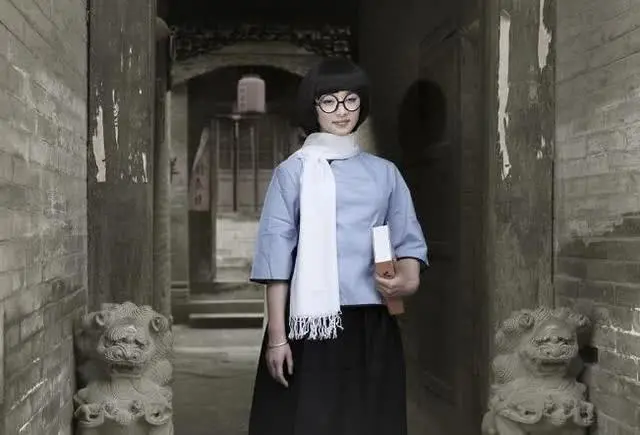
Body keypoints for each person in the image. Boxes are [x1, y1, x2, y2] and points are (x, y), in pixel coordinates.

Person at [247, 57, 428, 435]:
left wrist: (407, 280)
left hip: (371, 324)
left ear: (362, 104)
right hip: (308, 325)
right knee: (309, 423)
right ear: (313, 108)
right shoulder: (292, 172)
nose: (341, 111)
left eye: (350, 100)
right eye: (329, 101)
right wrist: (277, 338)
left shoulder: (384, 173)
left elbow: (408, 240)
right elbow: (276, 260)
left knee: (370, 424)